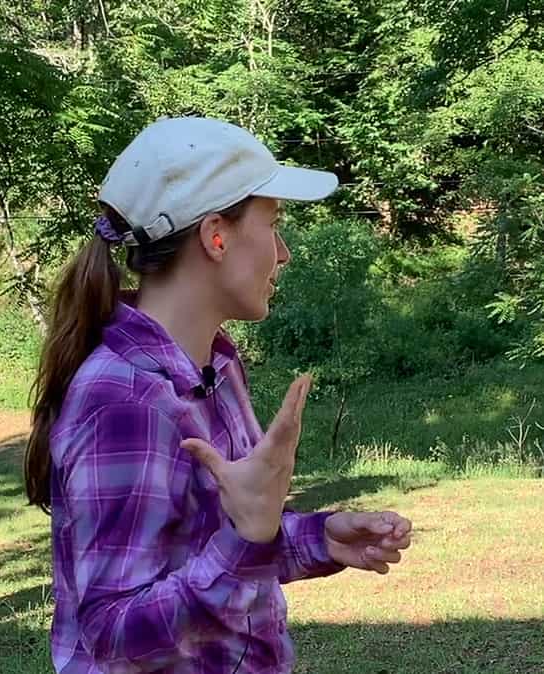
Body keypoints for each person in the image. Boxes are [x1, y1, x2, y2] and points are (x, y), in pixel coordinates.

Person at [24, 116, 412, 674]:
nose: (284, 254)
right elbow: (112, 632)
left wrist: (319, 537)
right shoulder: (125, 401)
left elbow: (218, 543)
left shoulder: (216, 365)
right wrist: (250, 537)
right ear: (215, 236)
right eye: (273, 225)